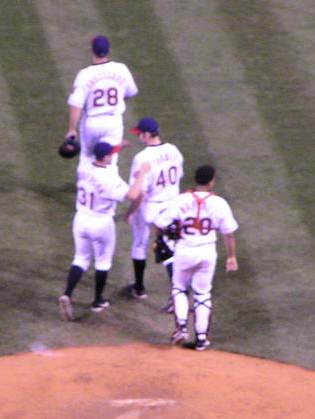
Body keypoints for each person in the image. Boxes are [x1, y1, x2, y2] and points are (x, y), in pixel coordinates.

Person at [58, 142, 149, 320]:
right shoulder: (110, 178)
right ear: (106, 157)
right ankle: (98, 301)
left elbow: (104, 156)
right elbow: (133, 195)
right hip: (101, 223)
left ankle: (67, 293)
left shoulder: (83, 169)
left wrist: (118, 147)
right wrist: (142, 174)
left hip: (81, 219)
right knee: (103, 261)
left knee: (81, 259)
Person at [152, 165, 239, 350]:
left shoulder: (180, 200)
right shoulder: (219, 203)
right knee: (202, 293)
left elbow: (159, 223)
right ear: (211, 181)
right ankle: (201, 339)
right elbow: (229, 233)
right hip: (207, 253)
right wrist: (231, 257)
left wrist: (160, 238)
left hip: (184, 251)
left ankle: (182, 328)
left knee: (179, 288)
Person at [123, 117, 184, 302]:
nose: (138, 136)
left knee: (140, 243)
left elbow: (140, 192)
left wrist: (131, 211)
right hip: (172, 206)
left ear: (147, 135)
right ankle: (179, 294)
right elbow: (178, 176)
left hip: (150, 208)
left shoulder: (142, 158)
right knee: (170, 247)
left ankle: (140, 288)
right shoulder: (174, 150)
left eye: (140, 133)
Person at [65, 35, 138, 170]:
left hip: (92, 123)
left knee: (87, 160)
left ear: (92, 50)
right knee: (110, 161)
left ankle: (85, 183)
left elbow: (76, 104)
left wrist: (71, 129)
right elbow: (131, 92)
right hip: (114, 123)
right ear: (108, 50)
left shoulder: (84, 75)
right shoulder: (121, 69)